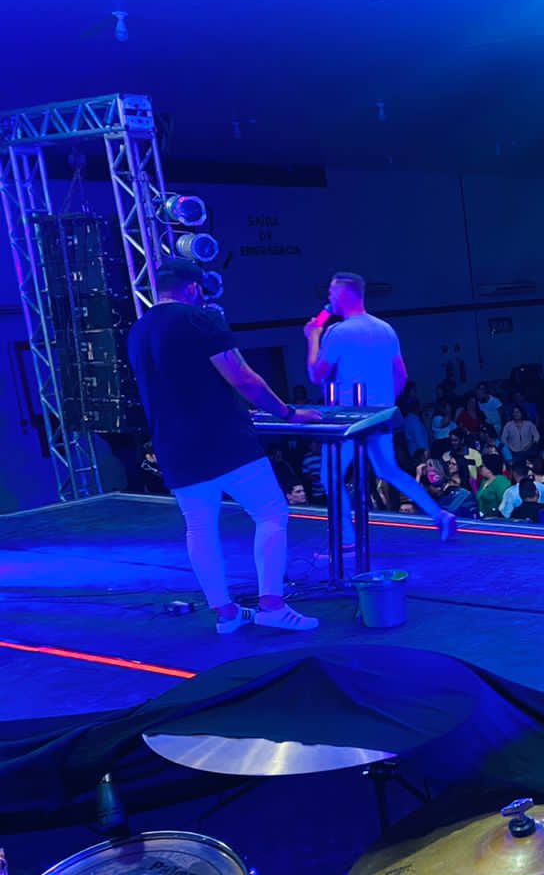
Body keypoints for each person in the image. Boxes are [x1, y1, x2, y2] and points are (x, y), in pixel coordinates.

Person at [129, 258, 320, 633]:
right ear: (194, 288)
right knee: (270, 512)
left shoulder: (137, 330)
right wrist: (288, 413)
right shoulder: (199, 320)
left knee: (199, 528)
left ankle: (226, 614)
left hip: (174, 445)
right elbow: (242, 378)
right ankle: (272, 605)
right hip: (222, 439)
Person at [306, 272, 457, 541]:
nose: (328, 298)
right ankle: (439, 515)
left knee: (330, 476)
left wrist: (312, 337)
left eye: (331, 292)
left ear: (343, 295)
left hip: (348, 418)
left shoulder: (337, 333)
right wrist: (385, 404)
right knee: (388, 469)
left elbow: (316, 375)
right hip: (378, 415)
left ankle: (347, 539)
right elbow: (401, 375)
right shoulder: (385, 329)